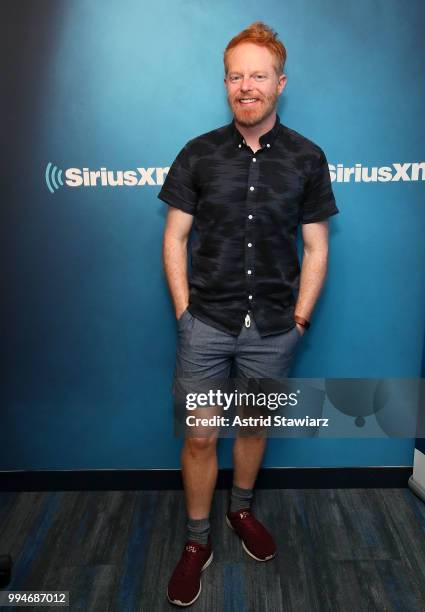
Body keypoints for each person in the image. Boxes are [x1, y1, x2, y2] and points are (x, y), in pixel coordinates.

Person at [158, 21, 339, 607]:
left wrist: (301, 319)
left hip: (273, 331)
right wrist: (186, 313)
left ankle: (240, 512)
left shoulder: (308, 157)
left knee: (254, 426)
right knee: (202, 435)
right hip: (205, 325)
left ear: (279, 83)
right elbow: (174, 238)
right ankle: (196, 542)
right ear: (227, 85)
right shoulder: (198, 153)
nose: (246, 86)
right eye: (235, 76)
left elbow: (316, 247)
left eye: (257, 75)